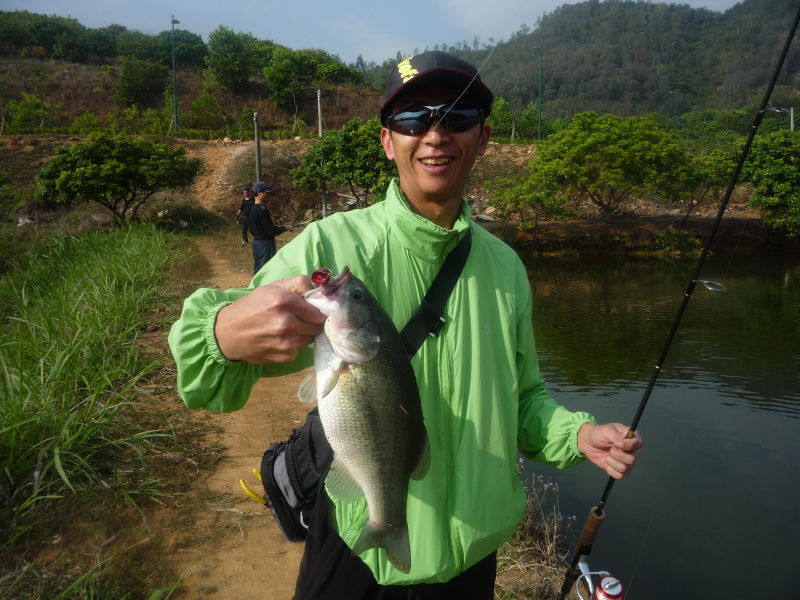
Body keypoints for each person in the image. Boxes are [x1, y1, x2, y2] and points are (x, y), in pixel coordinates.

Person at [168, 51, 643, 599]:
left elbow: (522, 399)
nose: (435, 135)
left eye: (457, 118)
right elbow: (207, 379)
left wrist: (577, 435)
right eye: (414, 120)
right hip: (356, 546)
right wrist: (221, 334)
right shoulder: (329, 245)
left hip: (474, 550)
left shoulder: (506, 268)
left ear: (484, 138)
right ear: (388, 141)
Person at [247, 181, 289, 274]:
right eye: (266, 192)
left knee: (258, 270)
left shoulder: (251, 209)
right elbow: (271, 231)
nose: (268, 194)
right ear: (259, 193)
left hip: (256, 244)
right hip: (266, 245)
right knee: (267, 271)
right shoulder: (262, 211)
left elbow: (251, 230)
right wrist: (285, 228)